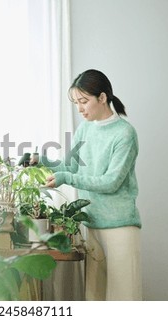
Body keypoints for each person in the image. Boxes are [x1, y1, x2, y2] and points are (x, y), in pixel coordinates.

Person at [43, 69, 142, 301]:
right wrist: (41, 160)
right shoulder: (85, 128)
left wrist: (66, 178)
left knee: (123, 298)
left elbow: (110, 182)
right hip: (91, 223)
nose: (80, 109)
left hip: (120, 225)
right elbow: (71, 167)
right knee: (94, 296)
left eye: (84, 101)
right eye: (77, 102)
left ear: (103, 97)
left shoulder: (125, 133)